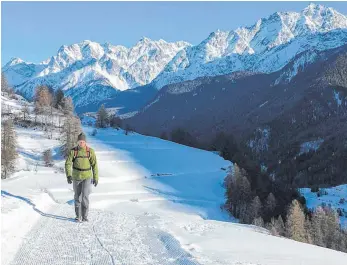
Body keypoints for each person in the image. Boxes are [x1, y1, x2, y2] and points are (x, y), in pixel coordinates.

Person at [65, 132, 98, 222]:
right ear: (77, 142)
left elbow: (94, 165)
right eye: (79, 141)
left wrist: (96, 177)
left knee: (85, 197)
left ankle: (85, 216)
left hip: (87, 177)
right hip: (76, 177)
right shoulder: (73, 151)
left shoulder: (90, 151)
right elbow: (68, 163)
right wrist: (68, 175)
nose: (81, 143)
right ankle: (77, 216)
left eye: (83, 141)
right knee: (77, 196)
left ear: (85, 142)